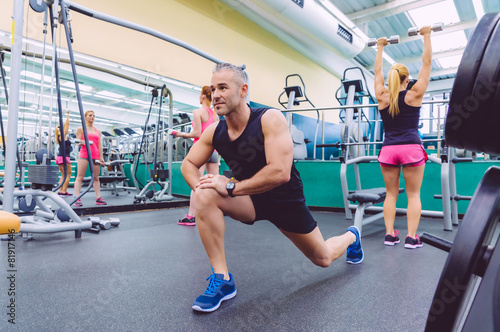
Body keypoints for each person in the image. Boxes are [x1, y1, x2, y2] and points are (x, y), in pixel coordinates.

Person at [181, 63, 363, 313]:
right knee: (205, 192)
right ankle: (222, 279)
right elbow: (189, 164)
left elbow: (279, 172)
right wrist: (201, 190)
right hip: (248, 199)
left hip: (283, 200)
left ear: (243, 90)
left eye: (223, 87)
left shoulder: (269, 118)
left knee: (323, 258)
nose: (216, 95)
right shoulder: (215, 131)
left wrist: (231, 187)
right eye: (213, 89)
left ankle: (352, 236)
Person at [374, 26, 432, 249]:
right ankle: (411, 237)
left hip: (388, 149)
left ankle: (390, 235)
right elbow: (427, 64)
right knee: (413, 194)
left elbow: (377, 73)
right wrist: (426, 36)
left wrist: (379, 48)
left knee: (390, 194)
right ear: (407, 79)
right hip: (410, 149)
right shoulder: (415, 94)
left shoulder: (382, 95)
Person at [171, 86, 219, 226]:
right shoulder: (215, 114)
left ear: (203, 96)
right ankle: (214, 214)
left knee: (196, 184)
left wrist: (179, 134)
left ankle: (191, 216)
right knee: (214, 184)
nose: (199, 97)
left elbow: (197, 133)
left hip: (200, 150)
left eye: (200, 95)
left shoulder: (197, 112)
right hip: (214, 151)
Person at [73, 110, 106, 207]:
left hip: (95, 154)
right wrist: (85, 142)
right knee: (80, 177)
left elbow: (99, 145)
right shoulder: (81, 129)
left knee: (96, 178)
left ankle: (98, 198)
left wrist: (101, 157)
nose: (92, 117)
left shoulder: (98, 131)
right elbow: (78, 142)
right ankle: (77, 198)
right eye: (90, 115)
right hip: (84, 154)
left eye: (94, 116)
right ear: (85, 117)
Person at [55, 110, 72, 196]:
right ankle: (64, 191)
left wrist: (60, 116)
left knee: (63, 175)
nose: (67, 129)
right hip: (64, 158)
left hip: (60, 157)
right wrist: (68, 115)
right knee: (68, 175)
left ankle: (60, 190)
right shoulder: (63, 135)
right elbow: (67, 125)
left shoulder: (59, 135)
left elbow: (59, 126)